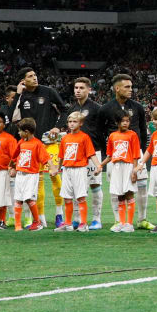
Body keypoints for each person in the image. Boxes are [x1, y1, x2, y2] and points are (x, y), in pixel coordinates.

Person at [11, 68, 66, 229]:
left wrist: (58, 127)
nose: (34, 78)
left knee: (55, 177)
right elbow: (12, 117)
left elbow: (64, 110)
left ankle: (59, 214)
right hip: (32, 145)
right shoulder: (21, 97)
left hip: (50, 143)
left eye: (35, 75)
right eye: (30, 76)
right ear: (22, 81)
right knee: (38, 183)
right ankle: (40, 218)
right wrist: (18, 95)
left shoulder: (48, 92)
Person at [98, 74, 149, 229]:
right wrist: (107, 153)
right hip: (116, 156)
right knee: (116, 189)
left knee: (141, 186)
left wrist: (142, 153)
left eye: (131, 87)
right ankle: (118, 220)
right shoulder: (106, 109)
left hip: (134, 154)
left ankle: (142, 219)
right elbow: (99, 131)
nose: (130, 90)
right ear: (117, 88)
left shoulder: (137, 107)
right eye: (127, 87)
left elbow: (142, 130)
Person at [64, 77, 105, 230]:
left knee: (95, 185)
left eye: (81, 88)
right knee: (75, 187)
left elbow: (101, 130)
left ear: (89, 90)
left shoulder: (96, 108)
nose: (78, 91)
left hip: (93, 151)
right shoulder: (72, 108)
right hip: (76, 155)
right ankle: (77, 218)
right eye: (76, 88)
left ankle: (96, 219)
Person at [102, 111, 142, 233]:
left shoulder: (133, 135)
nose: (125, 123)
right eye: (123, 121)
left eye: (127, 121)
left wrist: (134, 171)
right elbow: (109, 155)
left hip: (128, 166)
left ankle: (129, 224)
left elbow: (135, 155)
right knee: (119, 195)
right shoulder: (113, 136)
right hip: (116, 166)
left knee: (129, 193)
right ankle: (121, 222)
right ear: (117, 122)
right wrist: (100, 165)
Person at [10, 119, 48, 232]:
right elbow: (14, 156)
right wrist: (11, 167)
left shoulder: (37, 144)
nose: (18, 133)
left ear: (26, 131)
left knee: (29, 199)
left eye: (20, 131)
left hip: (31, 175)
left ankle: (37, 222)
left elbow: (46, 158)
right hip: (20, 174)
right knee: (18, 199)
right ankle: (17, 225)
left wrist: (53, 168)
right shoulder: (21, 142)